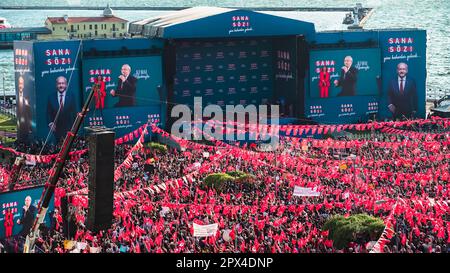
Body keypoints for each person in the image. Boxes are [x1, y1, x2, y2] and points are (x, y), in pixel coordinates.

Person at [46, 76, 77, 142]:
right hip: (56, 131)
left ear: (66, 85)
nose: (61, 85)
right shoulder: (51, 97)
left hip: (69, 130)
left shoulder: (71, 96)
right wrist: (50, 123)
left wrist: (75, 127)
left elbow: (74, 112)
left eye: (63, 83)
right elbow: (48, 112)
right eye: (59, 83)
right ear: (56, 85)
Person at [16, 75, 32, 141]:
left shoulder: (27, 97)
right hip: (19, 124)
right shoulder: (16, 95)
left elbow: (30, 114)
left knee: (26, 139)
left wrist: (30, 127)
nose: (20, 85)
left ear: (24, 85)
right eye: (19, 83)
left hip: (26, 125)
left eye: (21, 83)